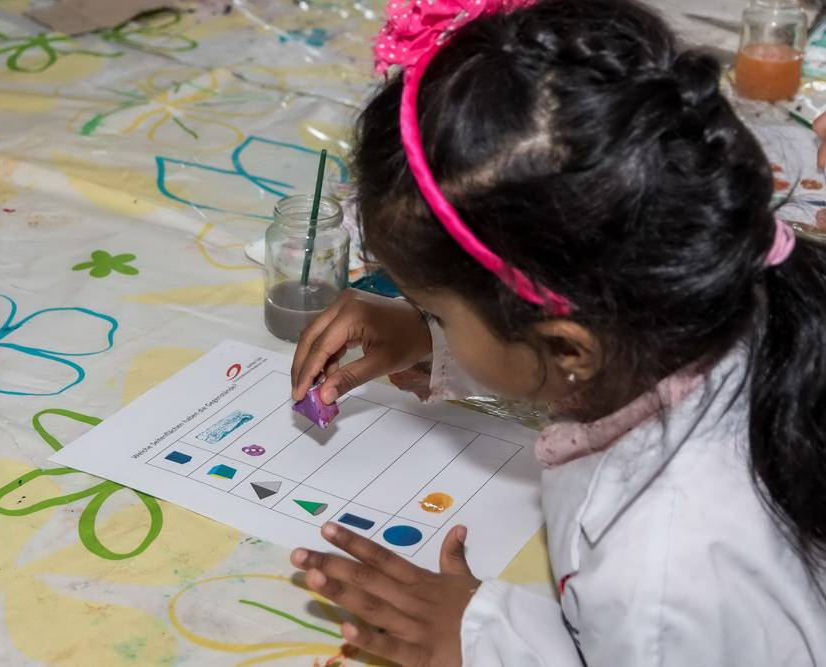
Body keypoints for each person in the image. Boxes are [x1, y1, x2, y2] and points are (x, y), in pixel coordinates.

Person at [286, 0, 826, 664]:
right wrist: (439, 338)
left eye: (438, 310)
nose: (431, 321)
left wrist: (486, 642)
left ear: (567, 344)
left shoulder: (664, 579)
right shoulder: (711, 295)